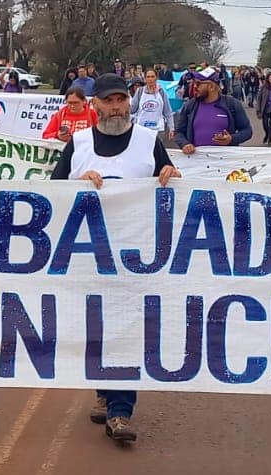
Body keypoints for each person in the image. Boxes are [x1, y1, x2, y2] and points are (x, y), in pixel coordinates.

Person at [50, 74, 181, 445]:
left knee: (127, 330)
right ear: (95, 106)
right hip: (87, 258)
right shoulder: (77, 144)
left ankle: (121, 411)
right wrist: (77, 182)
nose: (116, 107)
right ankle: (105, 391)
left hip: (136, 258)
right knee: (95, 328)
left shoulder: (147, 141)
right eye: (108, 101)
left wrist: (172, 174)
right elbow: (50, 194)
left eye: (122, 99)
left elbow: (172, 184)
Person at [173, 78, 252, 154]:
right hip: (196, 161)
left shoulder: (232, 104)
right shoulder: (190, 105)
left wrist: (231, 139)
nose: (194, 87)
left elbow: (247, 131)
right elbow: (178, 131)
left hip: (226, 161)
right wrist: (184, 144)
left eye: (198, 83)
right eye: (194, 83)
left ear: (211, 87)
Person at [131, 69, 174, 141]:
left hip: (158, 130)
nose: (150, 79)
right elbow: (132, 110)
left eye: (152, 76)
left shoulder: (161, 92)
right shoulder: (140, 91)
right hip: (142, 129)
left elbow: (168, 112)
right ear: (145, 79)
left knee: (157, 151)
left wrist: (172, 128)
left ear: (156, 78)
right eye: (148, 77)